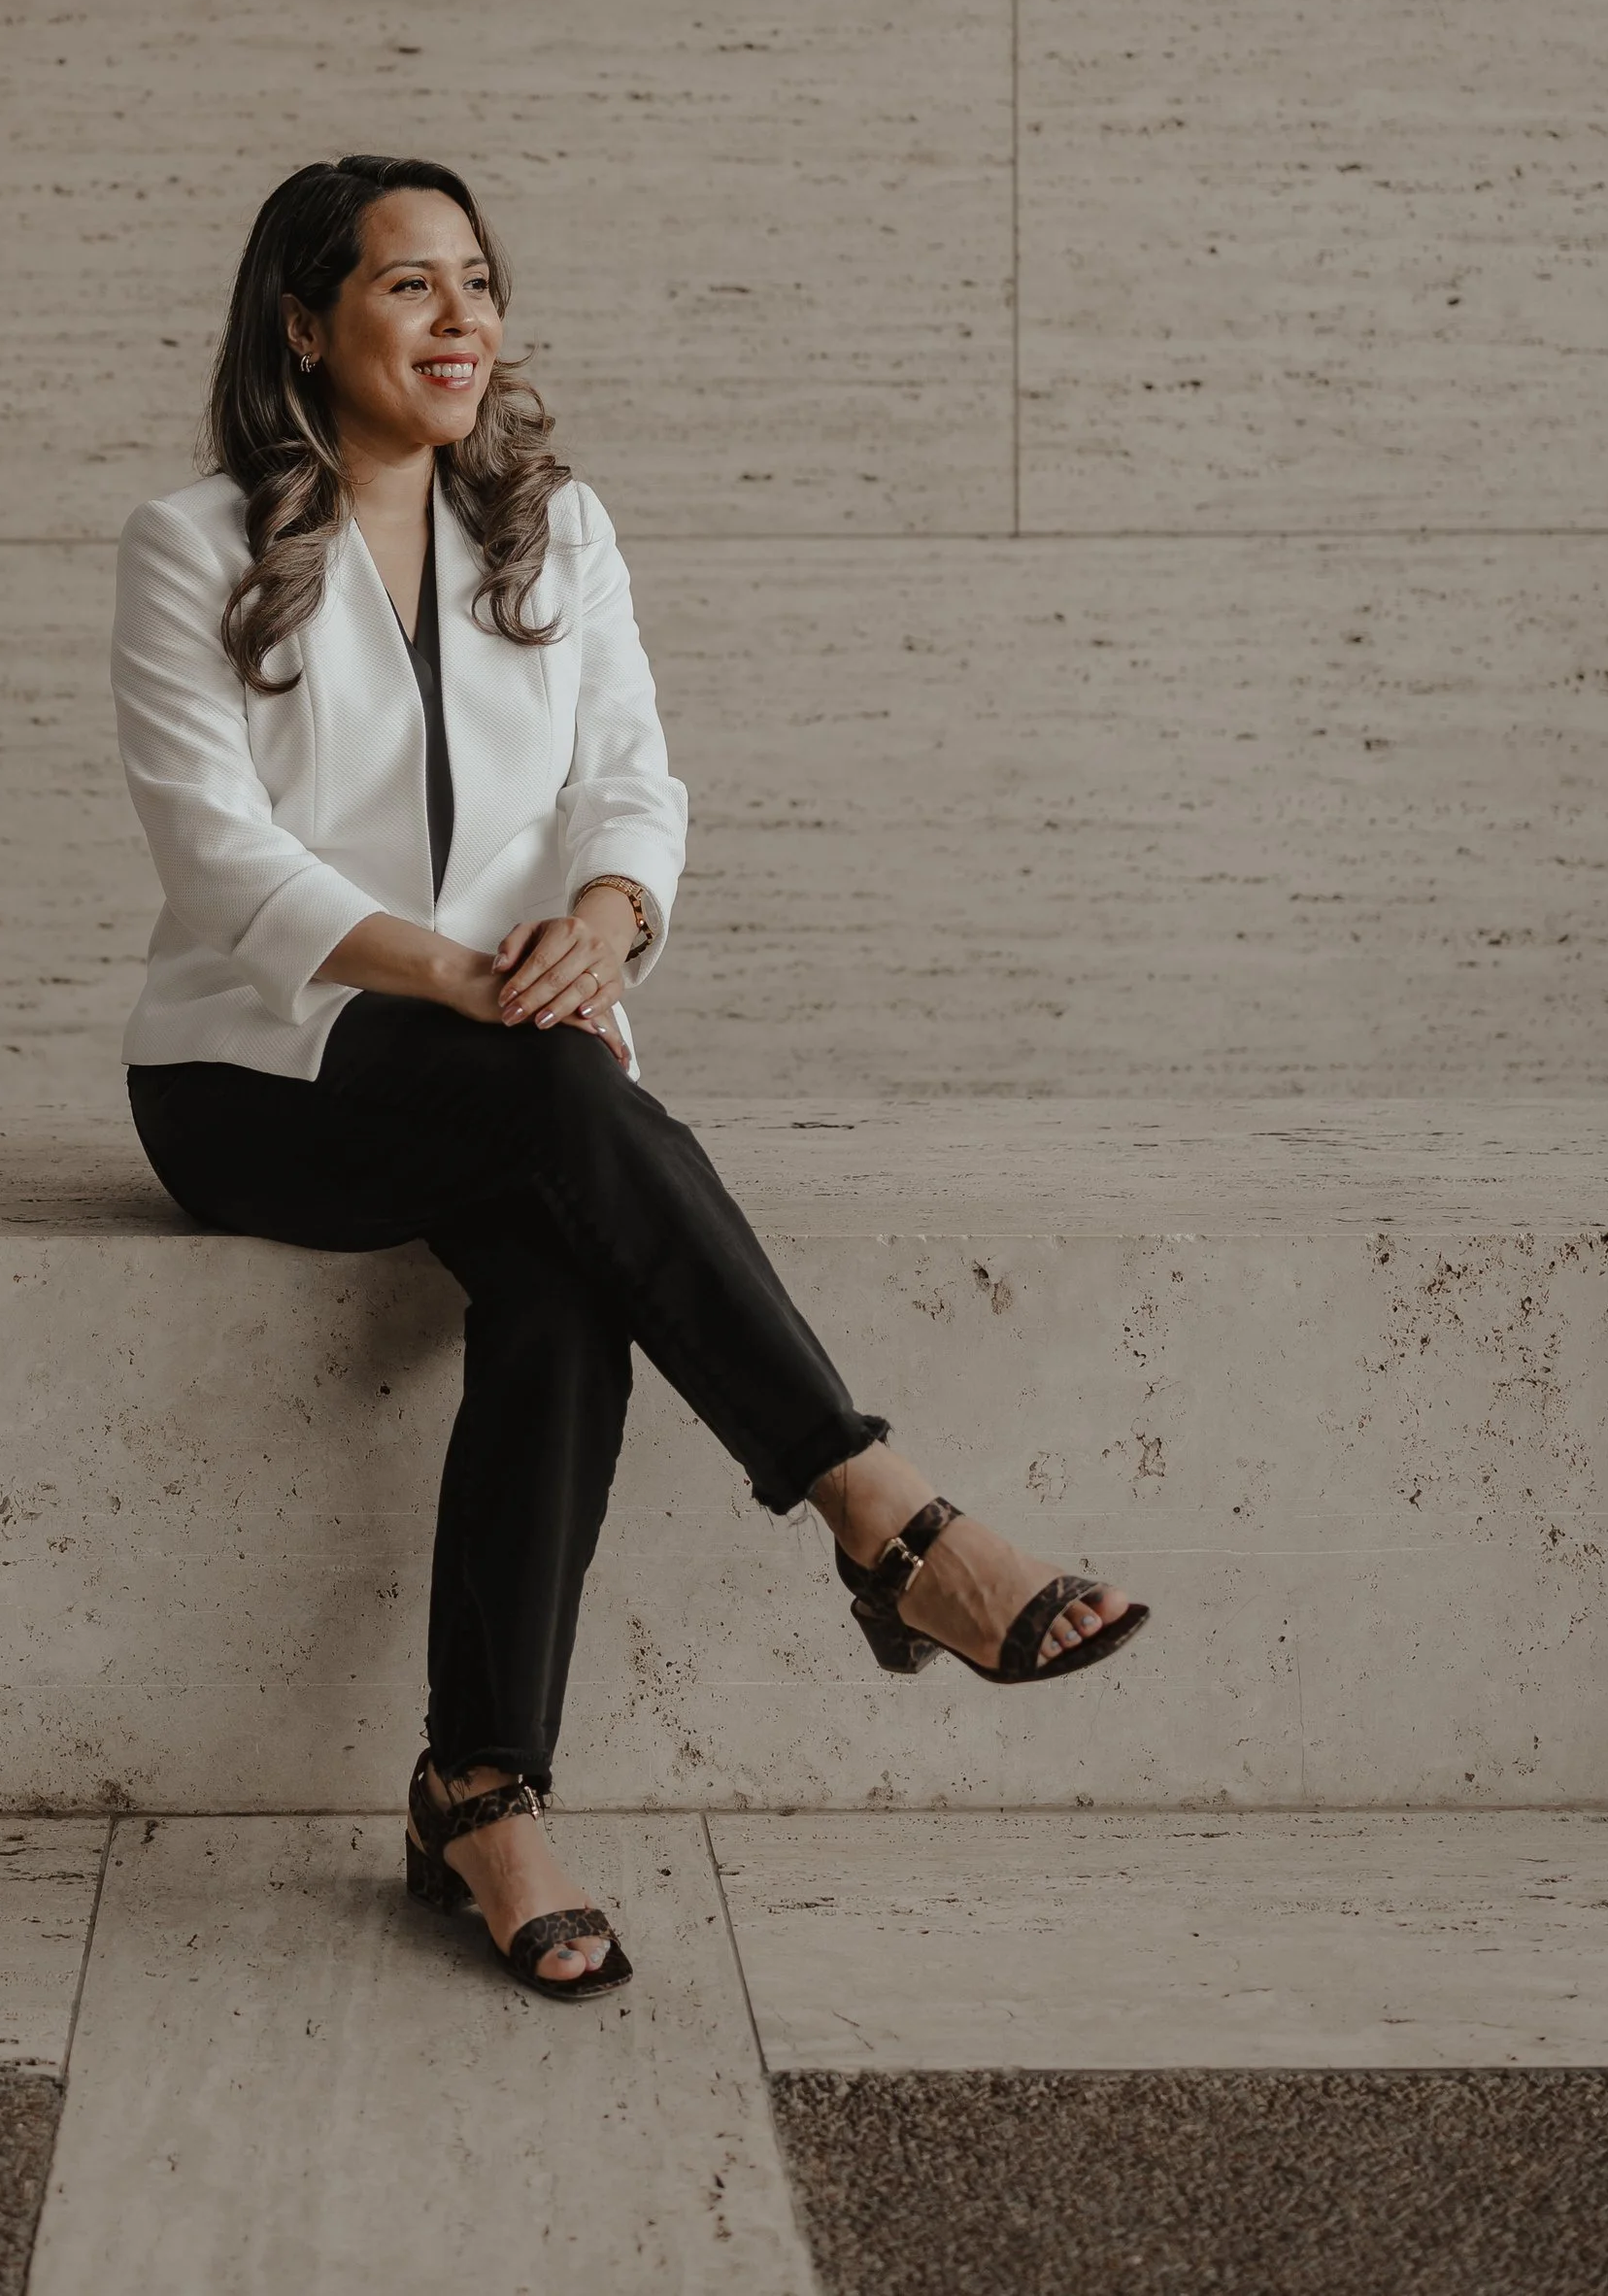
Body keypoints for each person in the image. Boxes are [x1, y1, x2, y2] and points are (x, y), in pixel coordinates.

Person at [110, 153, 1147, 2001]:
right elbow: (218, 853)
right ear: (303, 319)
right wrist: (476, 977)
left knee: (563, 1260)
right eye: (412, 285)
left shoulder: (555, 529)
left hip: (518, 1066)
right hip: (260, 1072)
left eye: (479, 284)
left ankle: (479, 1794)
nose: (462, 320)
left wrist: (602, 915)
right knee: (565, 1114)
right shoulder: (191, 543)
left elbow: (633, 782)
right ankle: (881, 1513)